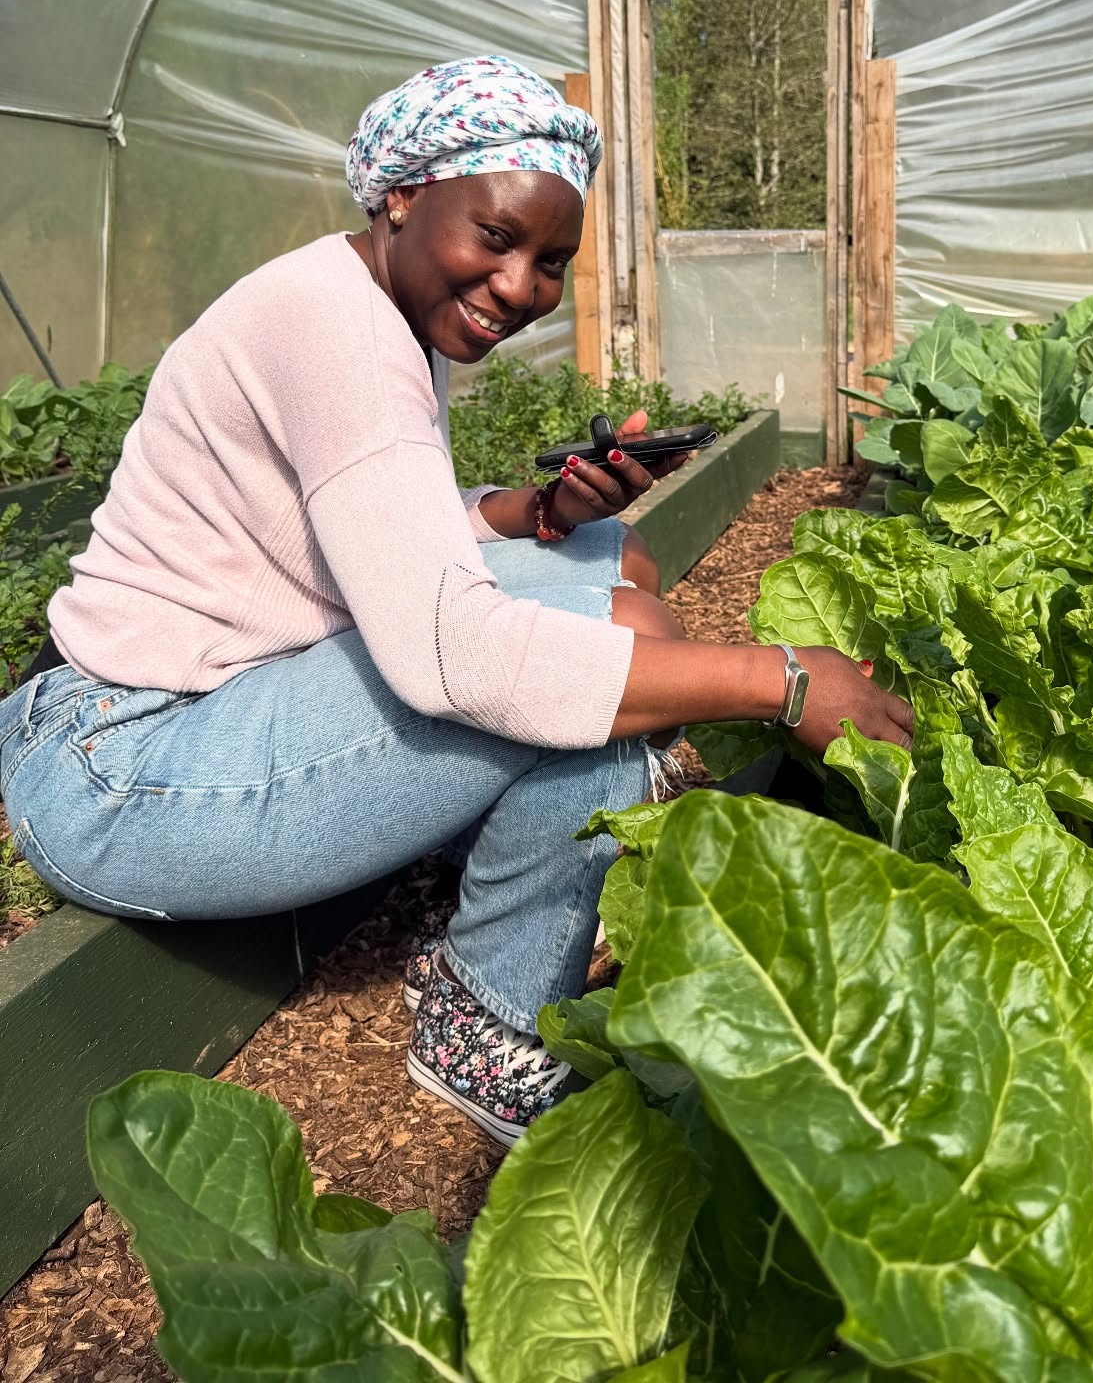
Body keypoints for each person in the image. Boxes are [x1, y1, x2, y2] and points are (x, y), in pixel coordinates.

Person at [0, 56, 913, 1145]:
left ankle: (490, 890)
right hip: (124, 769)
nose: (522, 288)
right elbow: (456, 657)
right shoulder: (332, 329)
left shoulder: (362, 298)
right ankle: (488, 1015)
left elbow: (361, 527)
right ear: (402, 194)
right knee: (606, 651)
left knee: (616, 569)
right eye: (497, 238)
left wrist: (533, 510)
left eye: (551, 262)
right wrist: (782, 679)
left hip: (214, 699)